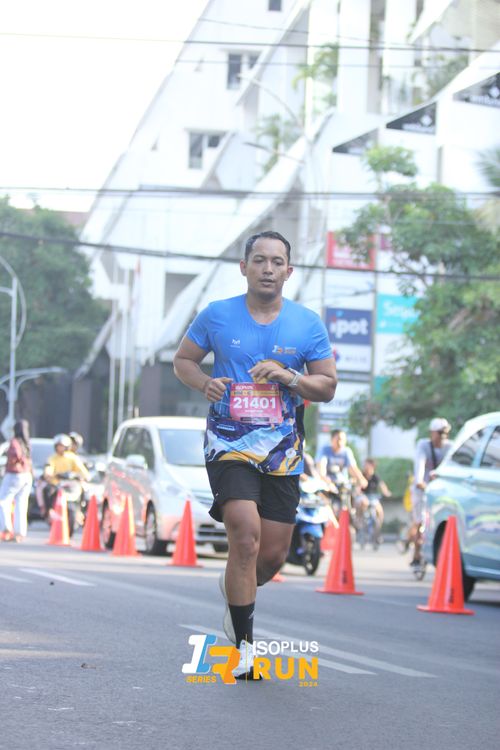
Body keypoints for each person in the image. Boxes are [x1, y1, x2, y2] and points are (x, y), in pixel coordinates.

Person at [173, 230, 337, 679]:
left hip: (282, 449)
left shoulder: (306, 324)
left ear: (289, 271)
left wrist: (289, 377)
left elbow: (326, 386)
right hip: (229, 442)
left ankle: (235, 588)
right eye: (259, 260)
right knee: (245, 536)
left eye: (277, 262)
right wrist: (203, 383)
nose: (268, 269)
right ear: (244, 268)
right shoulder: (217, 315)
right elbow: (183, 361)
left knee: (270, 556)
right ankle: (244, 651)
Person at [409, 417, 452, 566]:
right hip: (422, 490)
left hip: (440, 492)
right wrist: (419, 481)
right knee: (420, 521)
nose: (442, 436)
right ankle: (416, 555)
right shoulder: (423, 445)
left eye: (445, 433)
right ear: (432, 433)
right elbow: (419, 465)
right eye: (439, 433)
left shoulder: (449, 447)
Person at [37, 434, 90, 517]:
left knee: (86, 490)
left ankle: (82, 510)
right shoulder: (52, 458)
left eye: (62, 446)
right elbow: (49, 468)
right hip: (57, 483)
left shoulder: (72, 458)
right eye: (59, 446)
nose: (60, 448)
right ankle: (49, 510)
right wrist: (48, 474)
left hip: (71, 482)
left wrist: (84, 476)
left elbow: (81, 469)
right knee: (47, 490)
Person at [0, 420, 33, 542]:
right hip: (27, 475)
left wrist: (11, 463)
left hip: (14, 474)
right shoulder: (27, 442)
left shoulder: (14, 442)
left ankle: (6, 528)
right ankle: (20, 533)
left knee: (3, 501)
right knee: (21, 504)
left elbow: (15, 455)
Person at [316, 429, 367, 498]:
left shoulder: (346, 451)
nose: (341, 442)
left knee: (360, 499)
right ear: (332, 439)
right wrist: (327, 482)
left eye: (343, 440)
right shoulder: (324, 450)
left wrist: (361, 478)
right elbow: (321, 468)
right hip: (327, 486)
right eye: (339, 439)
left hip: (343, 485)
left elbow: (352, 468)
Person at [358, 457, 391, 532]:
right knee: (363, 503)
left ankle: (377, 530)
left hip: (373, 498)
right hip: (363, 496)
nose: (365, 466)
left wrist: (386, 492)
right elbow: (358, 486)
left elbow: (382, 485)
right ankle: (359, 521)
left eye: (366, 464)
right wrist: (358, 491)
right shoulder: (362, 475)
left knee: (380, 512)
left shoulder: (375, 477)